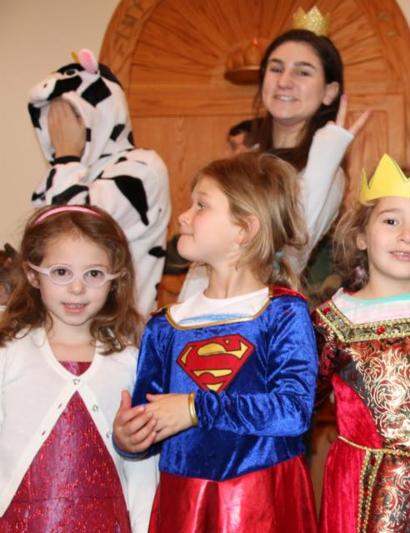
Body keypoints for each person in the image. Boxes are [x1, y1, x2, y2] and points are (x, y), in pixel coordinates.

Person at [113, 152, 318, 532]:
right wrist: (130, 437)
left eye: (201, 205)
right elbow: (150, 419)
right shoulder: (165, 326)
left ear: (245, 229)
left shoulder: (282, 313)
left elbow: (293, 410)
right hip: (185, 502)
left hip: (262, 501)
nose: (183, 216)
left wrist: (196, 408)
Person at [313, 154, 410, 532]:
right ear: (361, 235)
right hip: (364, 497)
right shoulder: (333, 321)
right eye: (391, 221)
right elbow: (301, 404)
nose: (407, 235)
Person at [179, 28, 370, 300]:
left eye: (303, 72)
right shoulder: (247, 159)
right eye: (276, 69)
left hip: (256, 313)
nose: (284, 81)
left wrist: (325, 159)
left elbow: (290, 248)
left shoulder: (327, 172)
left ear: (329, 92)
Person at [0, 205, 158, 533]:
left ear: (115, 279)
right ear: (32, 274)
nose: (77, 288)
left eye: (94, 274)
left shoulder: (130, 361)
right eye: (61, 272)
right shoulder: (9, 352)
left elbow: (142, 472)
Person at [28, 49, 171, 315]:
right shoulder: (71, 174)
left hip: (119, 331)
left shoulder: (143, 167)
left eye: (70, 117)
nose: (58, 130)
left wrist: (67, 157)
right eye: (52, 120)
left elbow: (72, 228)